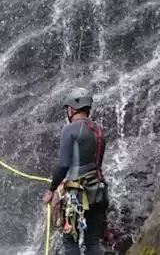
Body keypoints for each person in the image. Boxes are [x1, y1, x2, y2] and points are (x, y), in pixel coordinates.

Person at [42, 87, 109, 255]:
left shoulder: (70, 129)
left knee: (70, 239)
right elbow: (95, 165)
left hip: (77, 193)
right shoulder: (99, 131)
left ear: (71, 108)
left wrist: (51, 190)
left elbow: (64, 165)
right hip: (99, 191)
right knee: (92, 241)